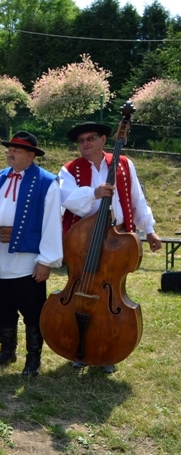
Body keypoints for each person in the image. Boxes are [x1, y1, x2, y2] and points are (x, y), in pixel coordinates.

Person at [59, 121, 162, 373]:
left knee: (110, 292)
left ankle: (107, 351)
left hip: (116, 240)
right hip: (83, 241)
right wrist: (93, 194)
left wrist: (149, 229)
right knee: (81, 292)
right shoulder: (69, 169)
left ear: (104, 139)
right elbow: (67, 198)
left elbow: (136, 198)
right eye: (81, 140)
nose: (85, 143)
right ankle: (80, 348)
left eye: (91, 138)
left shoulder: (124, 164)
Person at [0, 132, 63, 377]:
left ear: (31, 155)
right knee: (3, 307)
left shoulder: (46, 182)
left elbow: (52, 223)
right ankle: (7, 351)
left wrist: (46, 260)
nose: (10, 153)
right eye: (9, 149)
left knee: (32, 311)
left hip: (27, 258)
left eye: (17, 151)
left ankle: (33, 358)